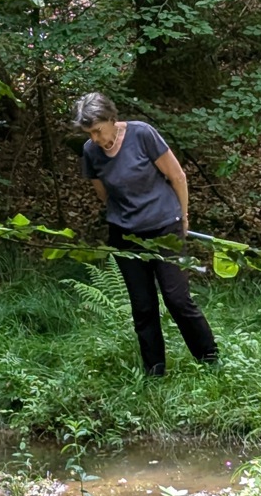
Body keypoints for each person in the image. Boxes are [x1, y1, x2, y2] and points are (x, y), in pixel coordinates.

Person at [74, 92, 220, 376]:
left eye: (98, 130)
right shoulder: (91, 152)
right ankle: (154, 371)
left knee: (177, 299)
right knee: (143, 306)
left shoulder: (142, 134)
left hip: (165, 227)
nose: (94, 138)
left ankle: (210, 360)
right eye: (88, 133)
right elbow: (103, 194)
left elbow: (177, 176)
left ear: (111, 119)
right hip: (125, 236)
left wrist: (183, 217)